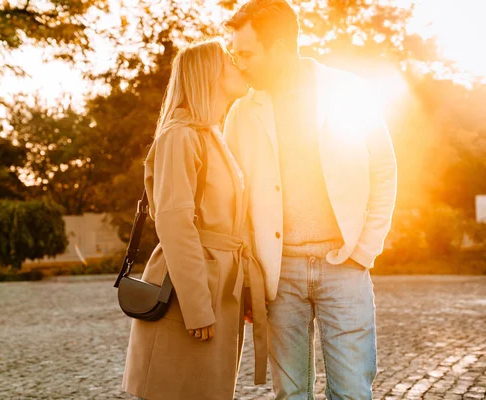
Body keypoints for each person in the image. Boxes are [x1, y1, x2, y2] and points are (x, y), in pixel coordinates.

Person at [223, 0, 397, 399]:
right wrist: (251, 277)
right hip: (278, 277)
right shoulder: (240, 113)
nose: (239, 63)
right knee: (292, 393)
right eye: (235, 53)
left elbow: (384, 170)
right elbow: (236, 200)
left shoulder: (349, 91)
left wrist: (364, 249)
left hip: (346, 267)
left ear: (281, 48)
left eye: (246, 53)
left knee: (352, 391)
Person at [122, 39, 269, 400]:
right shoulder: (181, 135)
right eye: (231, 62)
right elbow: (174, 223)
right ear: (212, 75)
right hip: (188, 290)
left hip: (218, 284)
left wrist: (246, 288)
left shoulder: (210, 135)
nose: (240, 66)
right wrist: (197, 306)